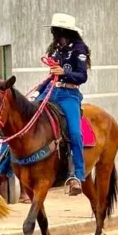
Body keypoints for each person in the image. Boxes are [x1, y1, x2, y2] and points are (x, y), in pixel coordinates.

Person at [35, 13, 90, 196]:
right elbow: (53, 75)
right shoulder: (55, 48)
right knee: (27, 118)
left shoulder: (79, 49)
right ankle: (4, 168)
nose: (57, 33)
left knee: (74, 132)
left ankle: (77, 174)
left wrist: (63, 73)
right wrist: (40, 88)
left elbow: (82, 76)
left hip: (69, 93)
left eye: (60, 30)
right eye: (55, 30)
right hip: (51, 90)